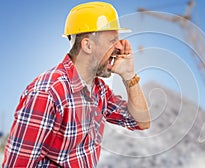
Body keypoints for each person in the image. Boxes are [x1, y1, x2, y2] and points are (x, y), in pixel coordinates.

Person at [2, 2, 150, 167]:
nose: (118, 48)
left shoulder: (98, 90)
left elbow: (140, 122)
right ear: (87, 45)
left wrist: (129, 76)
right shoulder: (47, 93)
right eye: (112, 41)